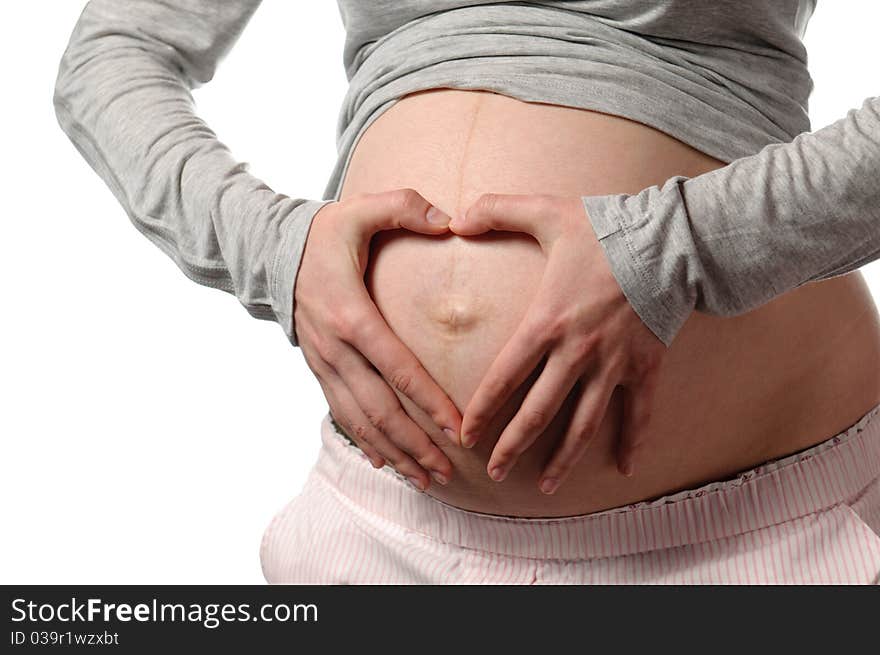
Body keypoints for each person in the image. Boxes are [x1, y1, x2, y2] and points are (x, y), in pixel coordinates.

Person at [54, 0, 880, 584]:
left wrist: (680, 245)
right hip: (384, 536)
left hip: (763, 538)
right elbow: (110, 55)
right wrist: (272, 247)